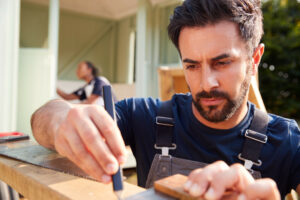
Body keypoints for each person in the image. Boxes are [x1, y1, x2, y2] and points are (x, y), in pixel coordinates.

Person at [30, 0, 299, 199]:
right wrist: (60, 120)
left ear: (254, 58)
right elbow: (43, 118)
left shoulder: (287, 141)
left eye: (222, 62)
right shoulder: (146, 117)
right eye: (192, 66)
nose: (206, 83)